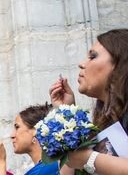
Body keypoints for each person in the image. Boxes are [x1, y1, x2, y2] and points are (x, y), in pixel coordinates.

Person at [48, 28, 128, 175]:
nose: (81, 64)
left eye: (93, 56)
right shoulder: (102, 121)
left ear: (120, 62)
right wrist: (67, 113)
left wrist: (89, 159)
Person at [9, 104, 59, 174]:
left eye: (17, 127)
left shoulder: (47, 168)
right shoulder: (56, 163)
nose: (12, 135)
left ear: (35, 130)